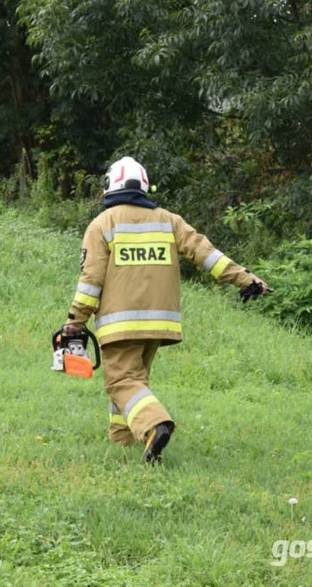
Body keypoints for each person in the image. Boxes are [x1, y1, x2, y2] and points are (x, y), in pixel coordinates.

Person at [62, 157, 269, 464]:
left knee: (120, 382)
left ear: (110, 186)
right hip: (160, 323)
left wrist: (75, 320)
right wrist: (245, 278)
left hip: (119, 324)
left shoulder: (103, 224)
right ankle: (123, 441)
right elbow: (206, 254)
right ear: (145, 186)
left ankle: (155, 425)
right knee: (134, 381)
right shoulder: (169, 220)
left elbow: (91, 280)